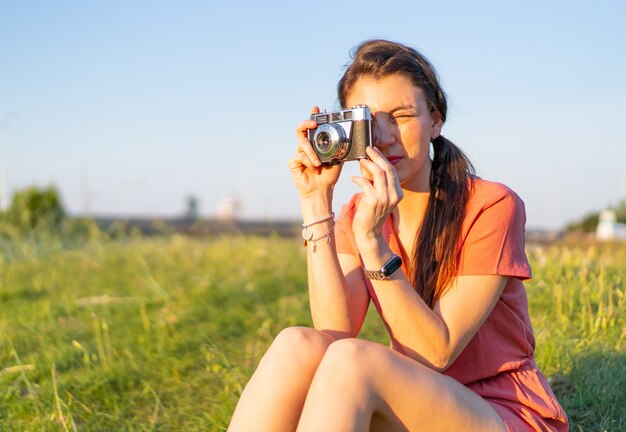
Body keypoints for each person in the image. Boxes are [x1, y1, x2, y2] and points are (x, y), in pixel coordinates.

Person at [228, 39, 568, 432]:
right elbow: (335, 328)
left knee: (353, 361)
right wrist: (316, 201)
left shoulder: (490, 205)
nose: (385, 136)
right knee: (297, 344)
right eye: (369, 122)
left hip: (500, 413)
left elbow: (436, 351)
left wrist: (373, 243)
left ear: (435, 121)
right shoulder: (357, 213)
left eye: (402, 116)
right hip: (409, 404)